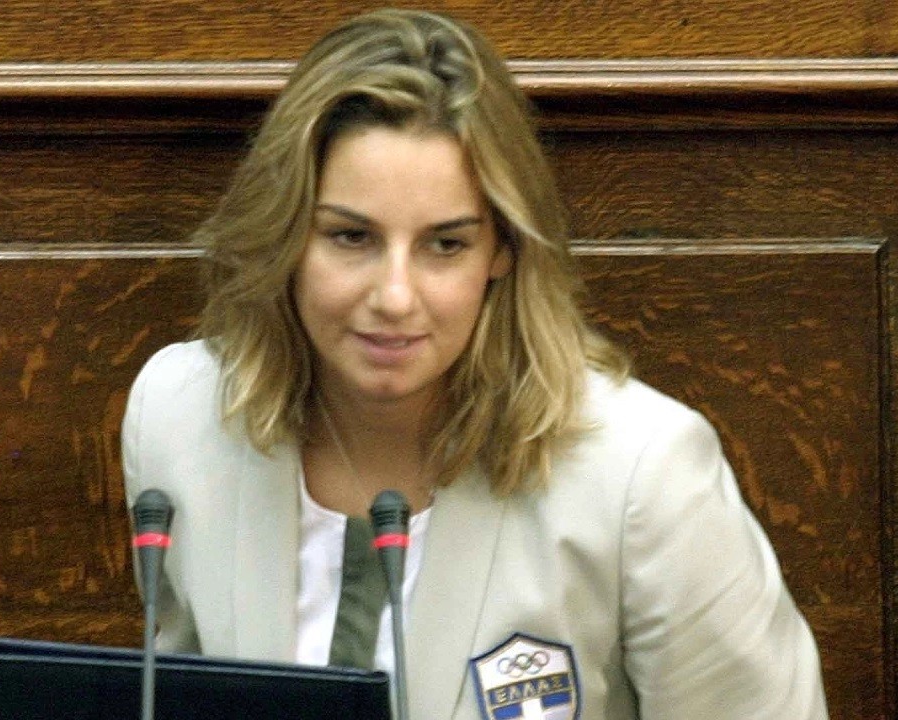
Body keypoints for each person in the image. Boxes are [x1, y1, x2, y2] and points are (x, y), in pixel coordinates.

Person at [122, 8, 828, 720]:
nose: (394, 297)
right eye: (351, 237)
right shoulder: (180, 419)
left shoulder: (643, 473)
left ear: (503, 250)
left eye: (446, 245)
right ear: (286, 236)